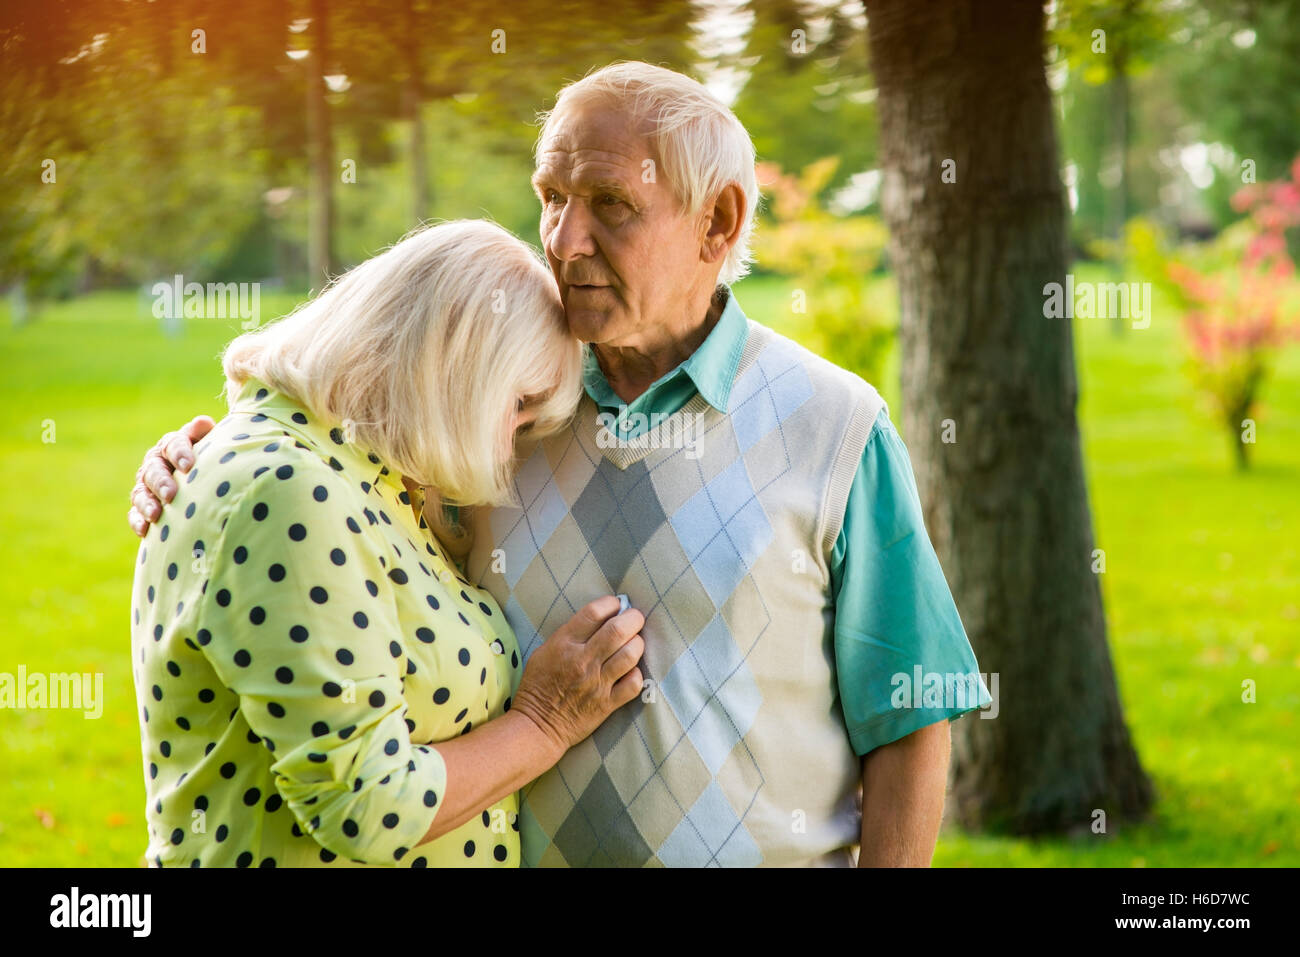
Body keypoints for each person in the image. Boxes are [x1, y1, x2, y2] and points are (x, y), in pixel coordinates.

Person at [132, 62, 991, 867]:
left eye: (611, 203)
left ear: (717, 222)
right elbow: (329, 497)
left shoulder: (836, 425)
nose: (563, 239)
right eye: (551, 196)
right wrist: (207, 457)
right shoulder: (491, 411)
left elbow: (910, 716)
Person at [129, 219, 645, 867]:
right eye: (517, 404)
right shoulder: (289, 488)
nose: (516, 440)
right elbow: (365, 805)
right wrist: (542, 724)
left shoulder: (374, 479)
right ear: (449, 363)